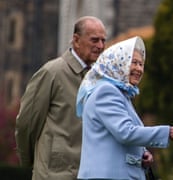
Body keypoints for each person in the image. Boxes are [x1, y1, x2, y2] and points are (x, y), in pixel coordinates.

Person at [15, 16, 106, 180]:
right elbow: (26, 123)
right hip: (53, 175)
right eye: (94, 40)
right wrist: (31, 163)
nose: (100, 46)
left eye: (103, 41)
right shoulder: (52, 72)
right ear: (76, 40)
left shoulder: (100, 79)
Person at [76, 36, 173, 180]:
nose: (139, 69)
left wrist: (142, 152)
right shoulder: (106, 92)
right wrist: (168, 132)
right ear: (118, 62)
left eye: (141, 64)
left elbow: (114, 135)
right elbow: (125, 132)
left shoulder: (120, 93)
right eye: (134, 62)